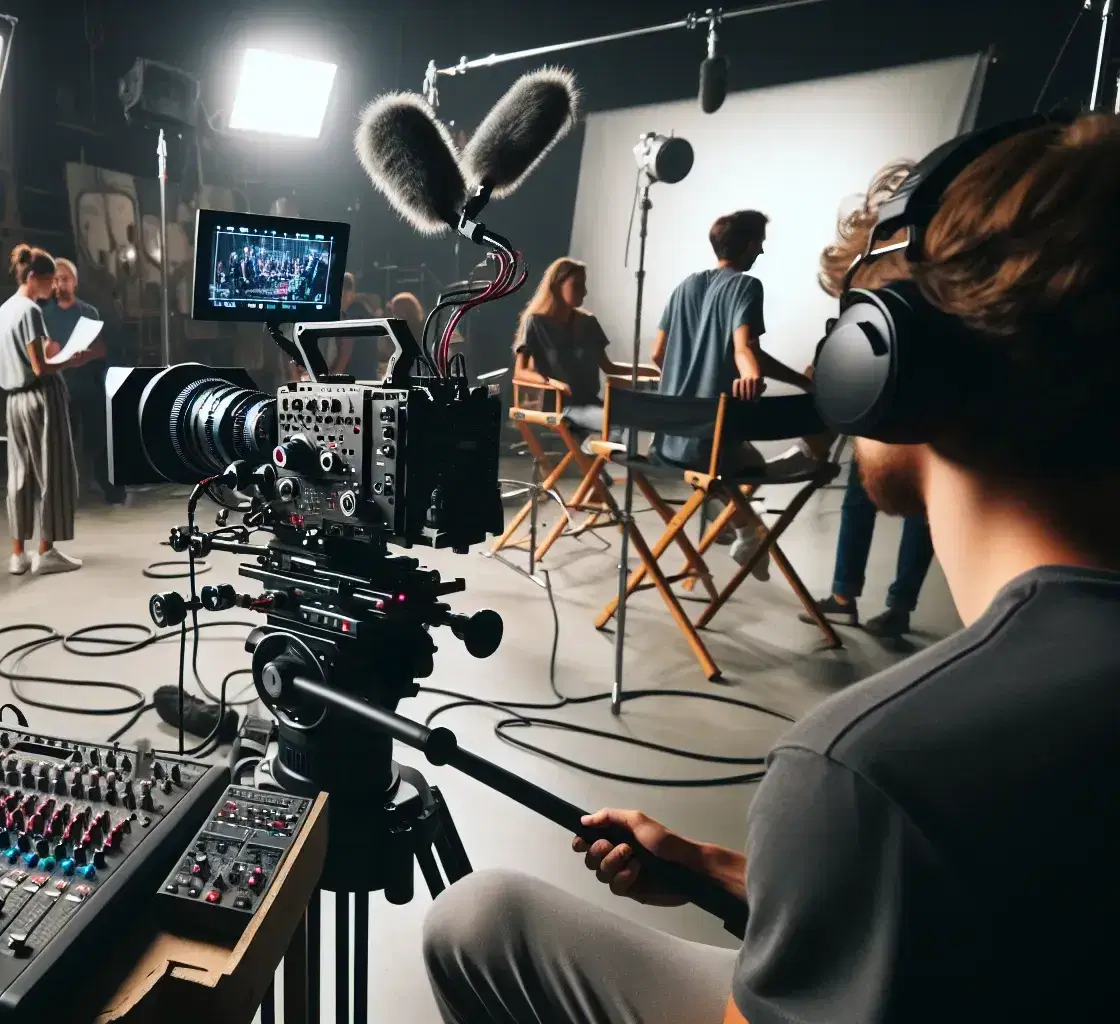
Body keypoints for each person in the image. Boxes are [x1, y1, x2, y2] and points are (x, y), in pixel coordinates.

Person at [422, 113, 1120, 1024]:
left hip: (674, 442)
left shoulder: (870, 770)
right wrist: (711, 866)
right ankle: (737, 537)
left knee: (476, 919)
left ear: (886, 363)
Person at [790, 163, 937, 638]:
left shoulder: (897, 278)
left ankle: (860, 600)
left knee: (897, 504)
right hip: (897, 414)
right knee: (881, 502)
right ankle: (867, 601)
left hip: (904, 413)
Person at [650, 211, 816, 575]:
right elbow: (744, 348)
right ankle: (749, 529)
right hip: (708, 446)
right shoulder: (745, 286)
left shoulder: (684, 287)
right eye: (760, 240)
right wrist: (751, 373)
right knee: (756, 458)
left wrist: (687, 384)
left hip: (669, 443)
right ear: (750, 244)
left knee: (736, 457)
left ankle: (742, 524)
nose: (763, 248)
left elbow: (657, 354)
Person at [0, 243, 90, 576]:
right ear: (34, 277)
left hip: (14, 402)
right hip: (40, 399)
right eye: (50, 281)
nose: (54, 287)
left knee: (19, 476)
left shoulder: (5, 309)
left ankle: (17, 554)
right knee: (53, 472)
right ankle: (47, 551)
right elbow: (40, 366)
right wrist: (69, 359)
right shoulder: (30, 311)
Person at [512, 257, 657, 434]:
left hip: (591, 403)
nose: (585, 291)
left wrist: (650, 371)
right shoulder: (535, 322)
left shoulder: (588, 322)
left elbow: (609, 367)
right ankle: (590, 453)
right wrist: (553, 383)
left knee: (644, 417)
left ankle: (591, 454)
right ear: (558, 285)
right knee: (616, 424)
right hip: (559, 406)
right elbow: (521, 372)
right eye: (577, 284)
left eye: (584, 284)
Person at [41, 257, 123, 505]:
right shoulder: (45, 315)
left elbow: (101, 349)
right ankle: (59, 490)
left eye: (64, 279)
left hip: (87, 382)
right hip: (59, 383)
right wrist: (60, 355)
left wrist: (86, 355)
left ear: (74, 282)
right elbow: (45, 352)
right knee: (58, 441)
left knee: (99, 436)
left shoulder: (89, 312)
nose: (59, 284)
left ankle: (110, 487)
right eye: (55, 280)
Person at [330, 271, 383, 379]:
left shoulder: (353, 314)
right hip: (367, 374)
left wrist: (334, 377)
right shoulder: (364, 311)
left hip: (354, 375)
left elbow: (346, 348)